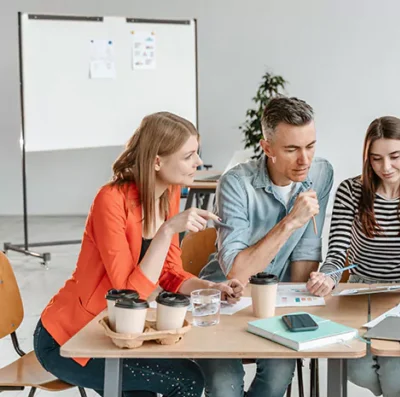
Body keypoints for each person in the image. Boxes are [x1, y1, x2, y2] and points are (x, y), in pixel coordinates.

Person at [34, 111, 243, 397]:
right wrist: (167, 230)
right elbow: (126, 294)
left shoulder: (169, 192)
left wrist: (211, 288)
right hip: (75, 339)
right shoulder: (110, 200)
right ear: (158, 161)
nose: (198, 163)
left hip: (124, 334)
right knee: (183, 382)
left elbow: (170, 273)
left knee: (184, 377)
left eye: (197, 153)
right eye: (188, 155)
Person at [307, 115, 400, 396]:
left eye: (395, 156)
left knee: (394, 374)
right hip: (360, 293)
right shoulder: (350, 191)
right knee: (356, 368)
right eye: (376, 159)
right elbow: (337, 254)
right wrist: (327, 276)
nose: (385, 167)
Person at [196, 96, 334, 397]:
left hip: (277, 299)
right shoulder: (235, 183)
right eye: (292, 149)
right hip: (226, 298)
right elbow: (237, 271)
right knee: (224, 385)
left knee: (279, 373)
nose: (305, 160)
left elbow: (307, 250)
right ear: (267, 147)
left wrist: (296, 307)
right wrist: (289, 222)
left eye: (310, 146)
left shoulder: (321, 173)